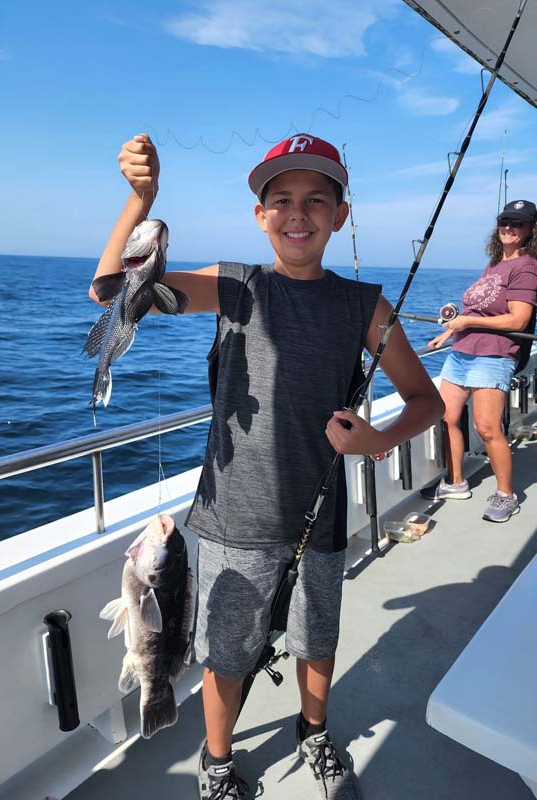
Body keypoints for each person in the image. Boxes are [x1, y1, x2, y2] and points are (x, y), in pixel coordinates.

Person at [89, 133, 444, 800]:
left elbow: (427, 401)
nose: (297, 213)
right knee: (227, 655)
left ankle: (315, 731)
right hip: (233, 518)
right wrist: (140, 201)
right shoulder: (235, 286)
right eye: (281, 199)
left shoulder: (366, 307)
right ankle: (217, 761)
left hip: (321, 514)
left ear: (341, 215)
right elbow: (112, 293)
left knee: (317, 638)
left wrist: (377, 438)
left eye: (316, 199)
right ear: (260, 215)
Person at [424, 200, 537, 522]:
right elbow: (476, 309)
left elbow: (518, 320)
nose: (508, 227)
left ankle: (506, 495)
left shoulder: (527, 267)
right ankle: (455, 482)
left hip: (493, 355)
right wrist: (450, 332)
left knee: (487, 428)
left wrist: (466, 323)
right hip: (461, 352)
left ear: (531, 230)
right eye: (504, 221)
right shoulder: (496, 263)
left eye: (517, 223)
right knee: (446, 417)